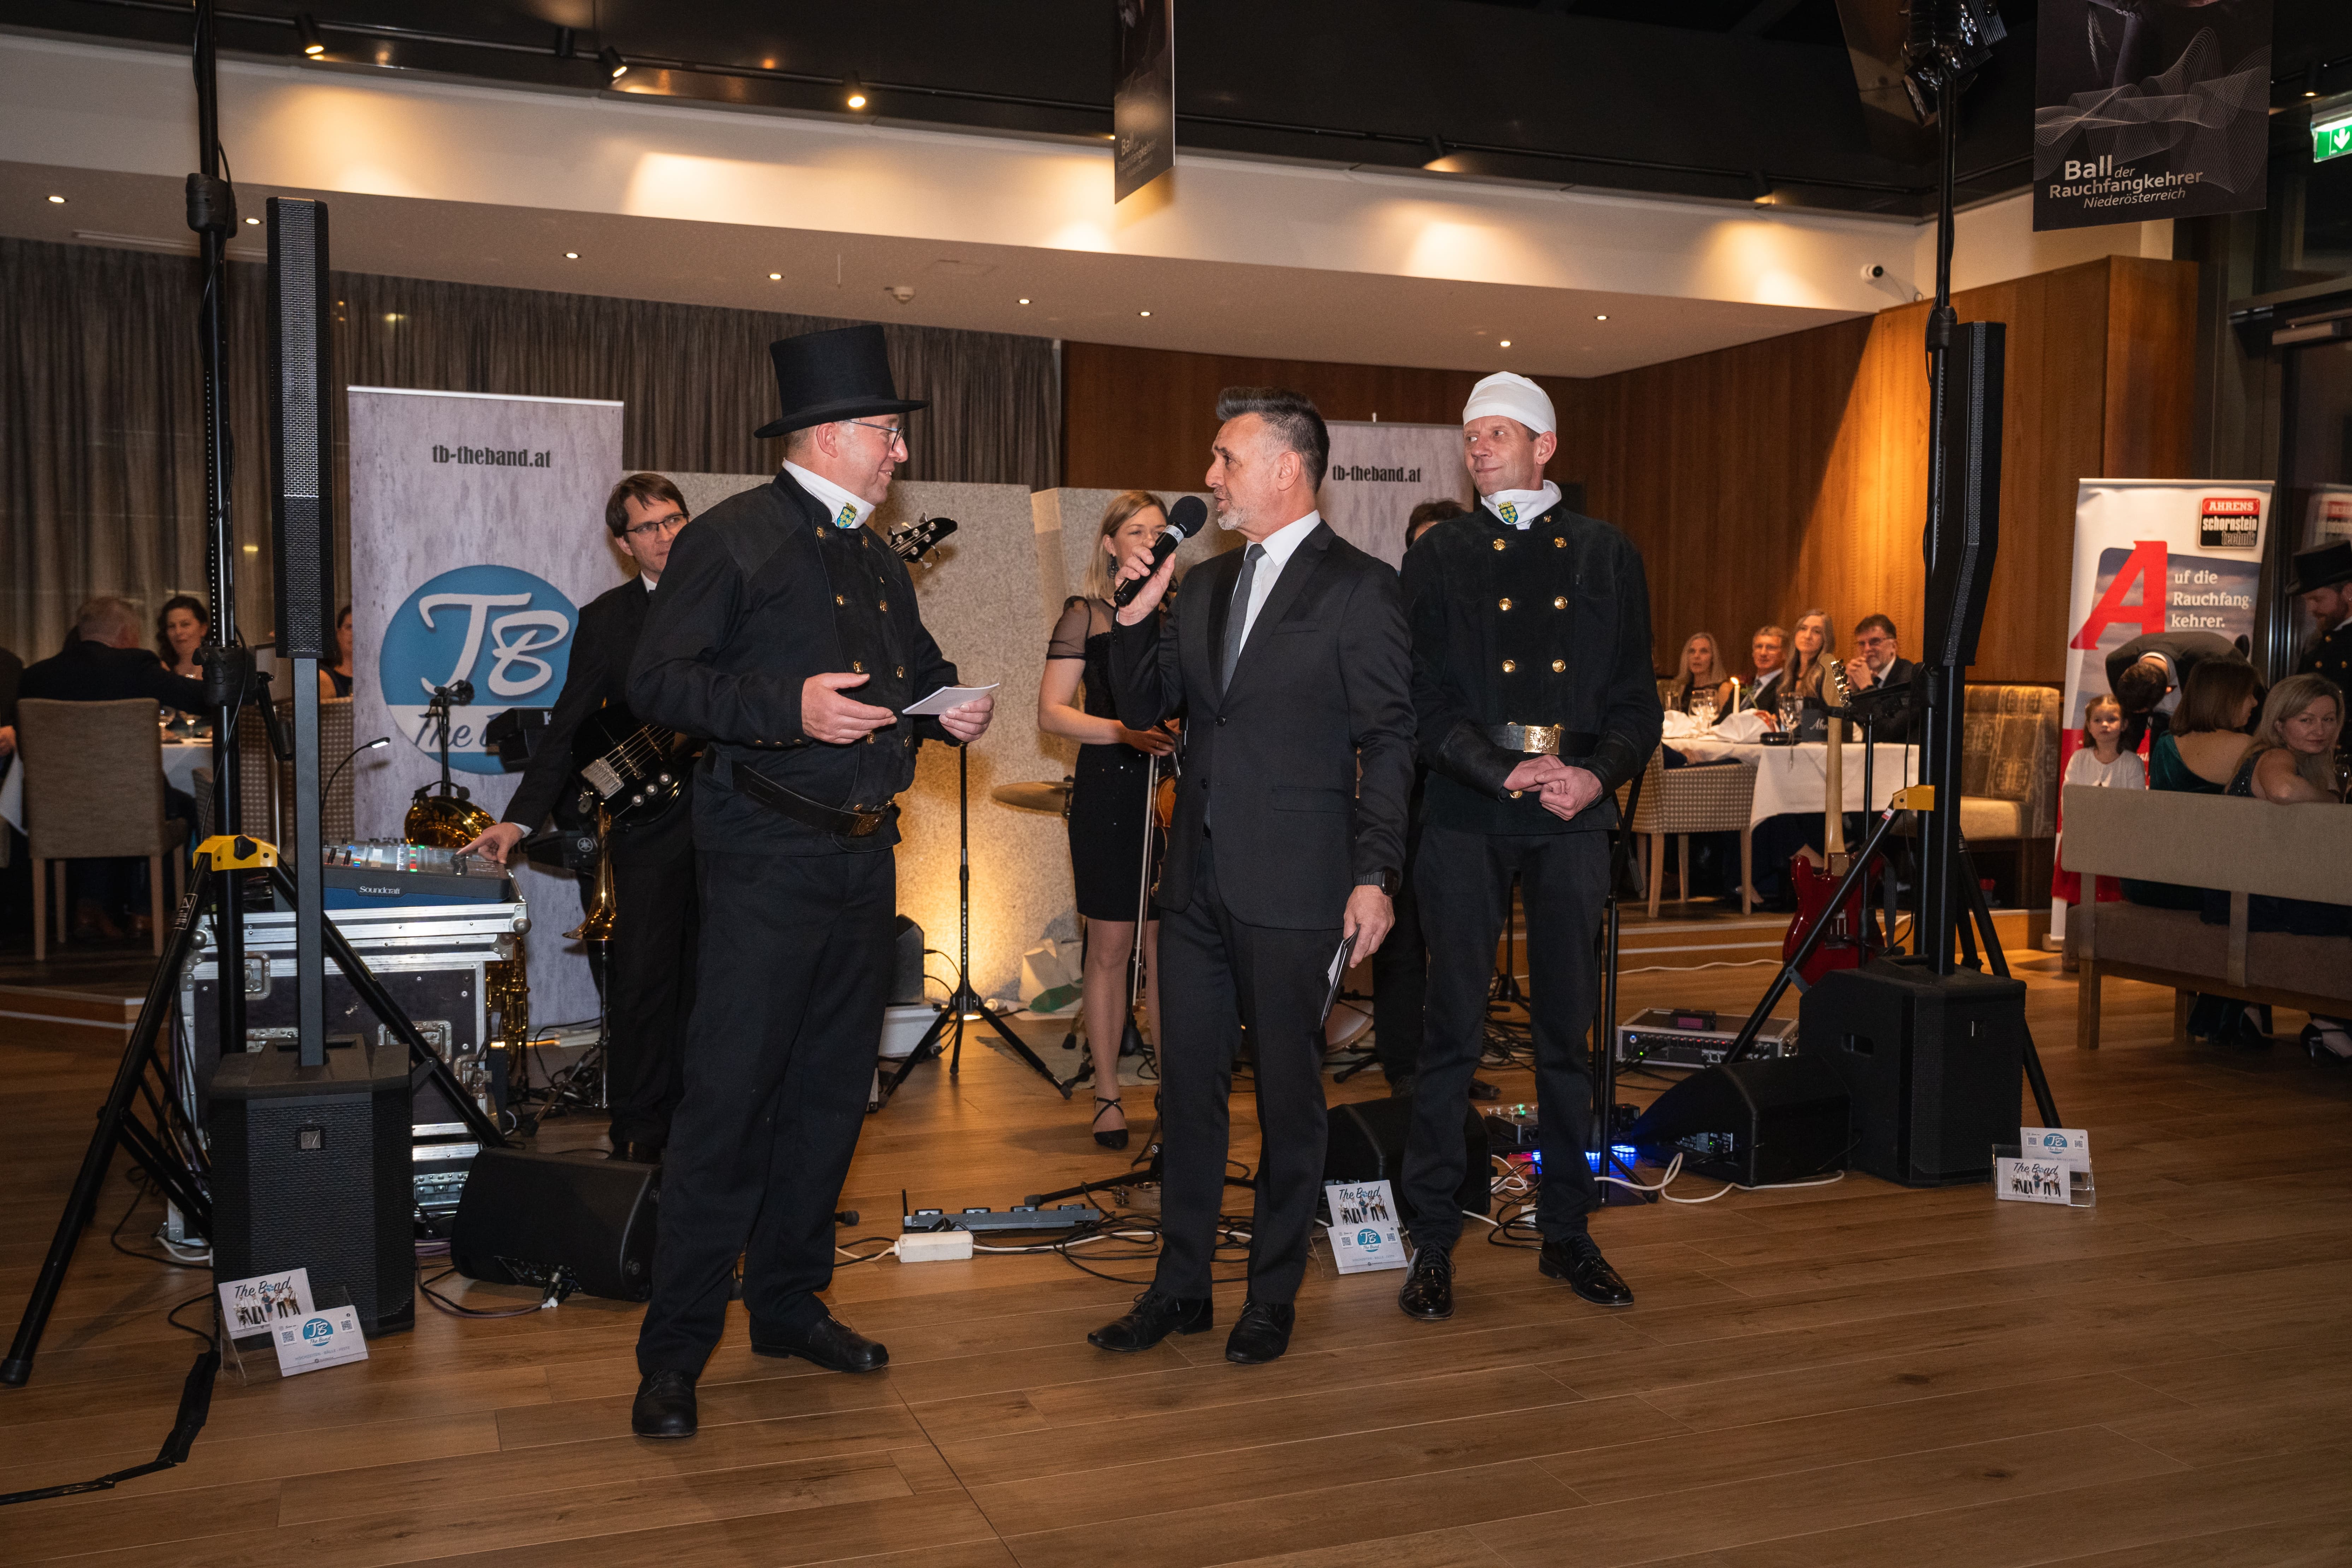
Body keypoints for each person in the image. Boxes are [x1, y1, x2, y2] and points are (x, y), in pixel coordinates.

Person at [621, 326, 994, 1439]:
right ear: (830, 435)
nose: (898, 452)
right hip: (763, 862)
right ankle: (673, 1352)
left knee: (832, 1099)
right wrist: (787, 709)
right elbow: (657, 681)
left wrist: (948, 703)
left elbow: (912, 668)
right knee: (728, 1105)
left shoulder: (875, 556)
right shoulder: (731, 537)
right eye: (886, 432)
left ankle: (786, 1304)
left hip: (863, 860)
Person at [1085, 386, 1413, 1368]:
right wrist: (1135, 612)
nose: (1210, 477)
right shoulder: (1206, 584)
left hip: (1301, 886)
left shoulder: (1360, 587)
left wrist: (1375, 872)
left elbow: (1392, 740)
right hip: (1195, 885)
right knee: (1186, 1092)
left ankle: (1272, 1293)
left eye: (1226, 458)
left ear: (1287, 467)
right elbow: (1142, 707)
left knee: (1287, 1098)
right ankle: (1180, 1286)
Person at [1394, 370, 1663, 1325]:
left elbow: (1637, 700)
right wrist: (1497, 770)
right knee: (1449, 1034)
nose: (1478, 449)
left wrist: (1597, 776)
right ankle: (1432, 1239)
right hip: (1469, 808)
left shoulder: (1606, 552)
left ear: (1545, 446)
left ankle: (1567, 1231)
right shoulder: (1439, 554)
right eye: (1470, 436)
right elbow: (1421, 700)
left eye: (1497, 433)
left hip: (1572, 811)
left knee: (1565, 1036)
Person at [460, 473, 701, 1168]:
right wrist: (517, 821)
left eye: (675, 519)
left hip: (727, 816)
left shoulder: (732, 598)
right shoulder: (605, 619)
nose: (666, 535)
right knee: (643, 980)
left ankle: (709, 1125)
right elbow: (566, 729)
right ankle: (640, 1131)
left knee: (719, 980)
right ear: (623, 543)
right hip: (645, 828)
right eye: (648, 527)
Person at [1038, 489, 1175, 1148]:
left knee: (1171, 954)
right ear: (1110, 544)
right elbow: (1052, 712)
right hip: (1109, 789)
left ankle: (1176, 1091)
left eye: (1160, 531)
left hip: (1173, 793)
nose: (1150, 541)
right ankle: (1107, 1095)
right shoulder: (1085, 613)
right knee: (1111, 948)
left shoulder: (1179, 614)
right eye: (1137, 531)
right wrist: (1124, 730)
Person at [1375, 495, 1495, 1102]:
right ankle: (1403, 1064)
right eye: (1423, 546)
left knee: (1461, 940)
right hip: (1404, 788)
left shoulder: (1487, 621)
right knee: (1400, 936)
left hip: (1467, 790)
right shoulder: (1389, 612)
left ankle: (1453, 1063)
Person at [19, 596, 208, 939]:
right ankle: (147, 911)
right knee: (181, 805)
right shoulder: (134, 665)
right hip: (129, 804)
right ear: (125, 633)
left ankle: (89, 909)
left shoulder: (35, 677)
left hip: (55, 809)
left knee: (95, 801)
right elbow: (199, 698)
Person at [2214, 673, 2348, 1060]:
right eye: (2306, 720)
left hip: (2243, 887)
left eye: (2328, 719)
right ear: (2278, 724)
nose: (2320, 730)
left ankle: (2317, 1020)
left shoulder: (2299, 760)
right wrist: (2333, 802)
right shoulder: (2276, 757)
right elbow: (2283, 790)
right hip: (2251, 896)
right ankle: (2329, 1022)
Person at [2052, 692, 2144, 913]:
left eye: (2112, 719)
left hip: (2118, 844)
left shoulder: (2132, 763)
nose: (2105, 725)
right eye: (2098, 720)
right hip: (2083, 840)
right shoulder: (2079, 759)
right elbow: (2069, 799)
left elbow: (2137, 805)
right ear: (2089, 726)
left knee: (2114, 906)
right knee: (2080, 904)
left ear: (2124, 725)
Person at [2105, 628, 2247, 754]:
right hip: (2161, 727)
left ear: (2167, 691)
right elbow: (2133, 723)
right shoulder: (2117, 665)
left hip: (2204, 728)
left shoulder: (2215, 660)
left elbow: (2244, 708)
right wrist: (2123, 760)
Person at [1844, 613, 1918, 742]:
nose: (1867, 649)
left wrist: (1867, 688)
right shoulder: (1865, 677)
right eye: (1862, 643)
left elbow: (1886, 731)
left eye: (1875, 642)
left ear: (1894, 646)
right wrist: (1850, 691)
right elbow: (1847, 730)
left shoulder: (1910, 677)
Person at [2290, 541, 2352, 692]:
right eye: (2307, 601)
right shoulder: (2315, 642)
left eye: (2317, 599)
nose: (2311, 609)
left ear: (2349, 593)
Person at [1669, 632, 1733, 717]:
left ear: (1713, 658)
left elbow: (1727, 722)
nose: (1696, 656)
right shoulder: (1682, 687)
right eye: (1692, 651)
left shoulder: (1723, 689)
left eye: (1704, 651)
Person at [155, 595, 208, 682]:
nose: (178, 632)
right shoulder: (161, 670)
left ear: (203, 629)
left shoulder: (217, 671)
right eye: (172, 626)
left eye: (185, 624)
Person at [1746, 625, 1791, 718]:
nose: (1763, 653)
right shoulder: (1743, 685)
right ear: (1753, 652)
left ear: (1785, 654)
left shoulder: (1786, 686)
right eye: (1759, 647)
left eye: (1771, 648)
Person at [320, 605, 356, 698]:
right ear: (339, 634)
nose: (355, 633)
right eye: (350, 627)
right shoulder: (325, 677)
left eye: (361, 628)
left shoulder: (379, 678)